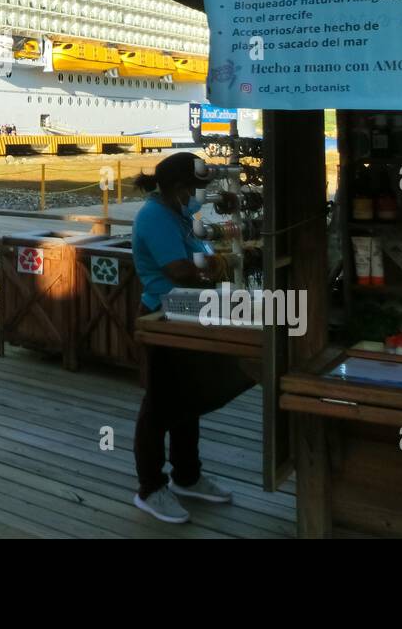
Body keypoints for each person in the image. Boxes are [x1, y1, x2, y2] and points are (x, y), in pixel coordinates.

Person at [129, 151, 256, 525]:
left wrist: (219, 249)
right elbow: (180, 270)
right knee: (158, 406)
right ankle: (150, 488)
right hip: (162, 315)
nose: (200, 196)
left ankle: (187, 475)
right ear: (181, 188)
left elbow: (201, 250)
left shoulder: (181, 213)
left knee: (189, 398)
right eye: (197, 189)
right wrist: (219, 264)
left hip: (190, 312)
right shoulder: (154, 216)